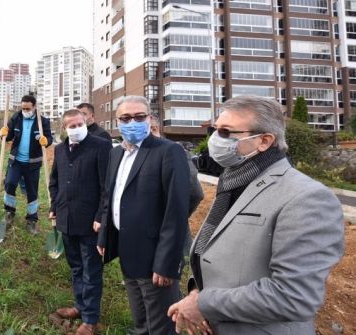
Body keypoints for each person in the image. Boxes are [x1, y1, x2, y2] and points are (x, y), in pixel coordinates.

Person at [168, 96, 345, 335]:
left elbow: (294, 296)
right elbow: (214, 251)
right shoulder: (234, 182)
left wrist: (204, 304)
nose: (215, 140)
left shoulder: (307, 197)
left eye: (226, 132)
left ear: (264, 141)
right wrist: (197, 294)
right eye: (215, 130)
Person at [97, 95, 189, 335]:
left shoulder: (169, 151)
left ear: (149, 118)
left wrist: (167, 263)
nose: (133, 123)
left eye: (139, 117)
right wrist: (104, 236)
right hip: (127, 250)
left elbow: (176, 211)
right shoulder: (116, 154)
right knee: (140, 321)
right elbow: (110, 197)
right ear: (117, 122)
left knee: (161, 325)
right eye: (126, 118)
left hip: (155, 255)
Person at [49, 109, 112, 335]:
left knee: (91, 271)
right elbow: (55, 181)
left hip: (90, 223)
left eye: (79, 124)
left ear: (86, 122)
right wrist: (54, 206)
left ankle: (90, 319)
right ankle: (79, 306)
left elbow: (106, 187)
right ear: (64, 128)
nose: (76, 128)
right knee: (76, 267)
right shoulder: (60, 149)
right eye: (72, 126)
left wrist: (100, 216)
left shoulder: (101, 146)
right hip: (66, 219)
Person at [149, 114, 204, 256]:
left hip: (170, 235)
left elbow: (194, 192)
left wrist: (176, 215)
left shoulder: (175, 152)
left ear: (155, 129)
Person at [0, 94, 52, 234]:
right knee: (9, 183)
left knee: (32, 191)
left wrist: (46, 141)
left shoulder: (42, 121)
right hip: (16, 160)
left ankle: (31, 220)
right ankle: (9, 212)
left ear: (34, 107)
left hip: (32, 164)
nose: (25, 111)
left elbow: (49, 138)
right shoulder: (16, 118)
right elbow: (9, 136)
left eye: (28, 109)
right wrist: (3, 134)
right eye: (23, 108)